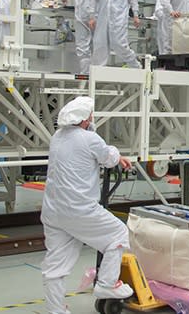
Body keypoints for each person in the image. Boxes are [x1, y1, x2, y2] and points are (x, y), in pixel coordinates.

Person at [41, 96, 134, 314]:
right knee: (119, 235)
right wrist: (117, 155)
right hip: (80, 210)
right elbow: (109, 158)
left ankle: (56, 310)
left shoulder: (57, 137)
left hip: (53, 211)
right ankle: (107, 285)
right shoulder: (90, 139)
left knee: (55, 265)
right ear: (85, 119)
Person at [61, 0, 100, 73]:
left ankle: (85, 74)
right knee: (95, 43)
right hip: (96, 14)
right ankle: (96, 72)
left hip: (82, 12)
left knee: (83, 44)